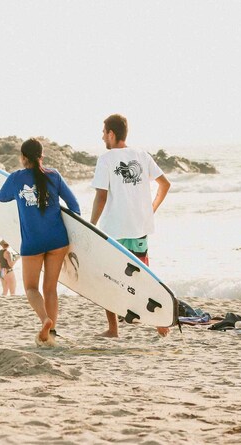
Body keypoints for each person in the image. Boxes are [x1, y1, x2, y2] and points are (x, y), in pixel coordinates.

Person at [90, 114, 171, 338]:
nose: (102, 136)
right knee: (143, 276)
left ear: (112, 134)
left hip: (114, 231)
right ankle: (159, 323)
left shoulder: (106, 160)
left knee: (108, 278)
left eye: (104, 131)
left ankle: (114, 329)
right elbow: (165, 184)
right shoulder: (142, 155)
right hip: (139, 229)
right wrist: (151, 209)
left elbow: (101, 196)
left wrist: (91, 225)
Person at [0, 138, 80, 345]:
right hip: (58, 240)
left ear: (23, 158)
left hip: (32, 243)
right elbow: (74, 205)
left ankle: (45, 319)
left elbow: (1, 196)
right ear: (42, 156)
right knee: (50, 288)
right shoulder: (54, 176)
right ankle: (51, 333)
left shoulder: (16, 178)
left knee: (31, 289)